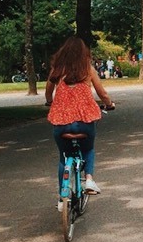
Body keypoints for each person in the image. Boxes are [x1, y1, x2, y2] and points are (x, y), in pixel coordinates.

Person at [45, 36, 115, 209]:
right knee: (88, 148)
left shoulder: (57, 69)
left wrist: (49, 101)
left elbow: (48, 91)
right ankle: (89, 180)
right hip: (84, 122)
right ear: (84, 53)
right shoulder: (88, 69)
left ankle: (62, 197)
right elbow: (102, 93)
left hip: (61, 123)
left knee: (64, 157)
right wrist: (109, 104)